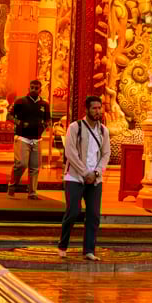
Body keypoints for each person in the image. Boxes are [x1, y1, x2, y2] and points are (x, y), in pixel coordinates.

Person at [57, 93, 111, 260]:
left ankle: (89, 250)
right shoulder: (75, 127)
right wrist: (84, 172)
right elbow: (70, 152)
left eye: (99, 108)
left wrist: (96, 172)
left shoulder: (103, 130)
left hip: (95, 179)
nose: (97, 111)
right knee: (73, 212)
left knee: (94, 215)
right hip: (75, 177)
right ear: (87, 109)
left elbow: (106, 153)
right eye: (94, 108)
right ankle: (63, 244)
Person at [7, 78, 52, 200]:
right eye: (32, 87)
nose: (34, 90)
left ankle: (32, 193)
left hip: (37, 139)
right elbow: (9, 116)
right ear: (29, 88)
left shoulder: (44, 104)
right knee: (21, 164)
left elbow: (48, 119)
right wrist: (20, 123)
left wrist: (45, 125)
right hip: (22, 137)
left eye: (36, 88)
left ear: (40, 90)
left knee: (35, 167)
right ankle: (12, 186)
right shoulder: (20, 101)